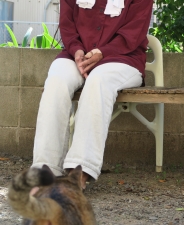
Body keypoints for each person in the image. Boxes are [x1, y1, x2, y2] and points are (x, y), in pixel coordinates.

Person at [31, 0, 153, 189]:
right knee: (56, 81)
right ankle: (45, 170)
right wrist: (77, 50)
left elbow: (134, 31)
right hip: (76, 54)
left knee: (98, 81)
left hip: (122, 57)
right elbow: (67, 24)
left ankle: (78, 172)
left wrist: (102, 52)